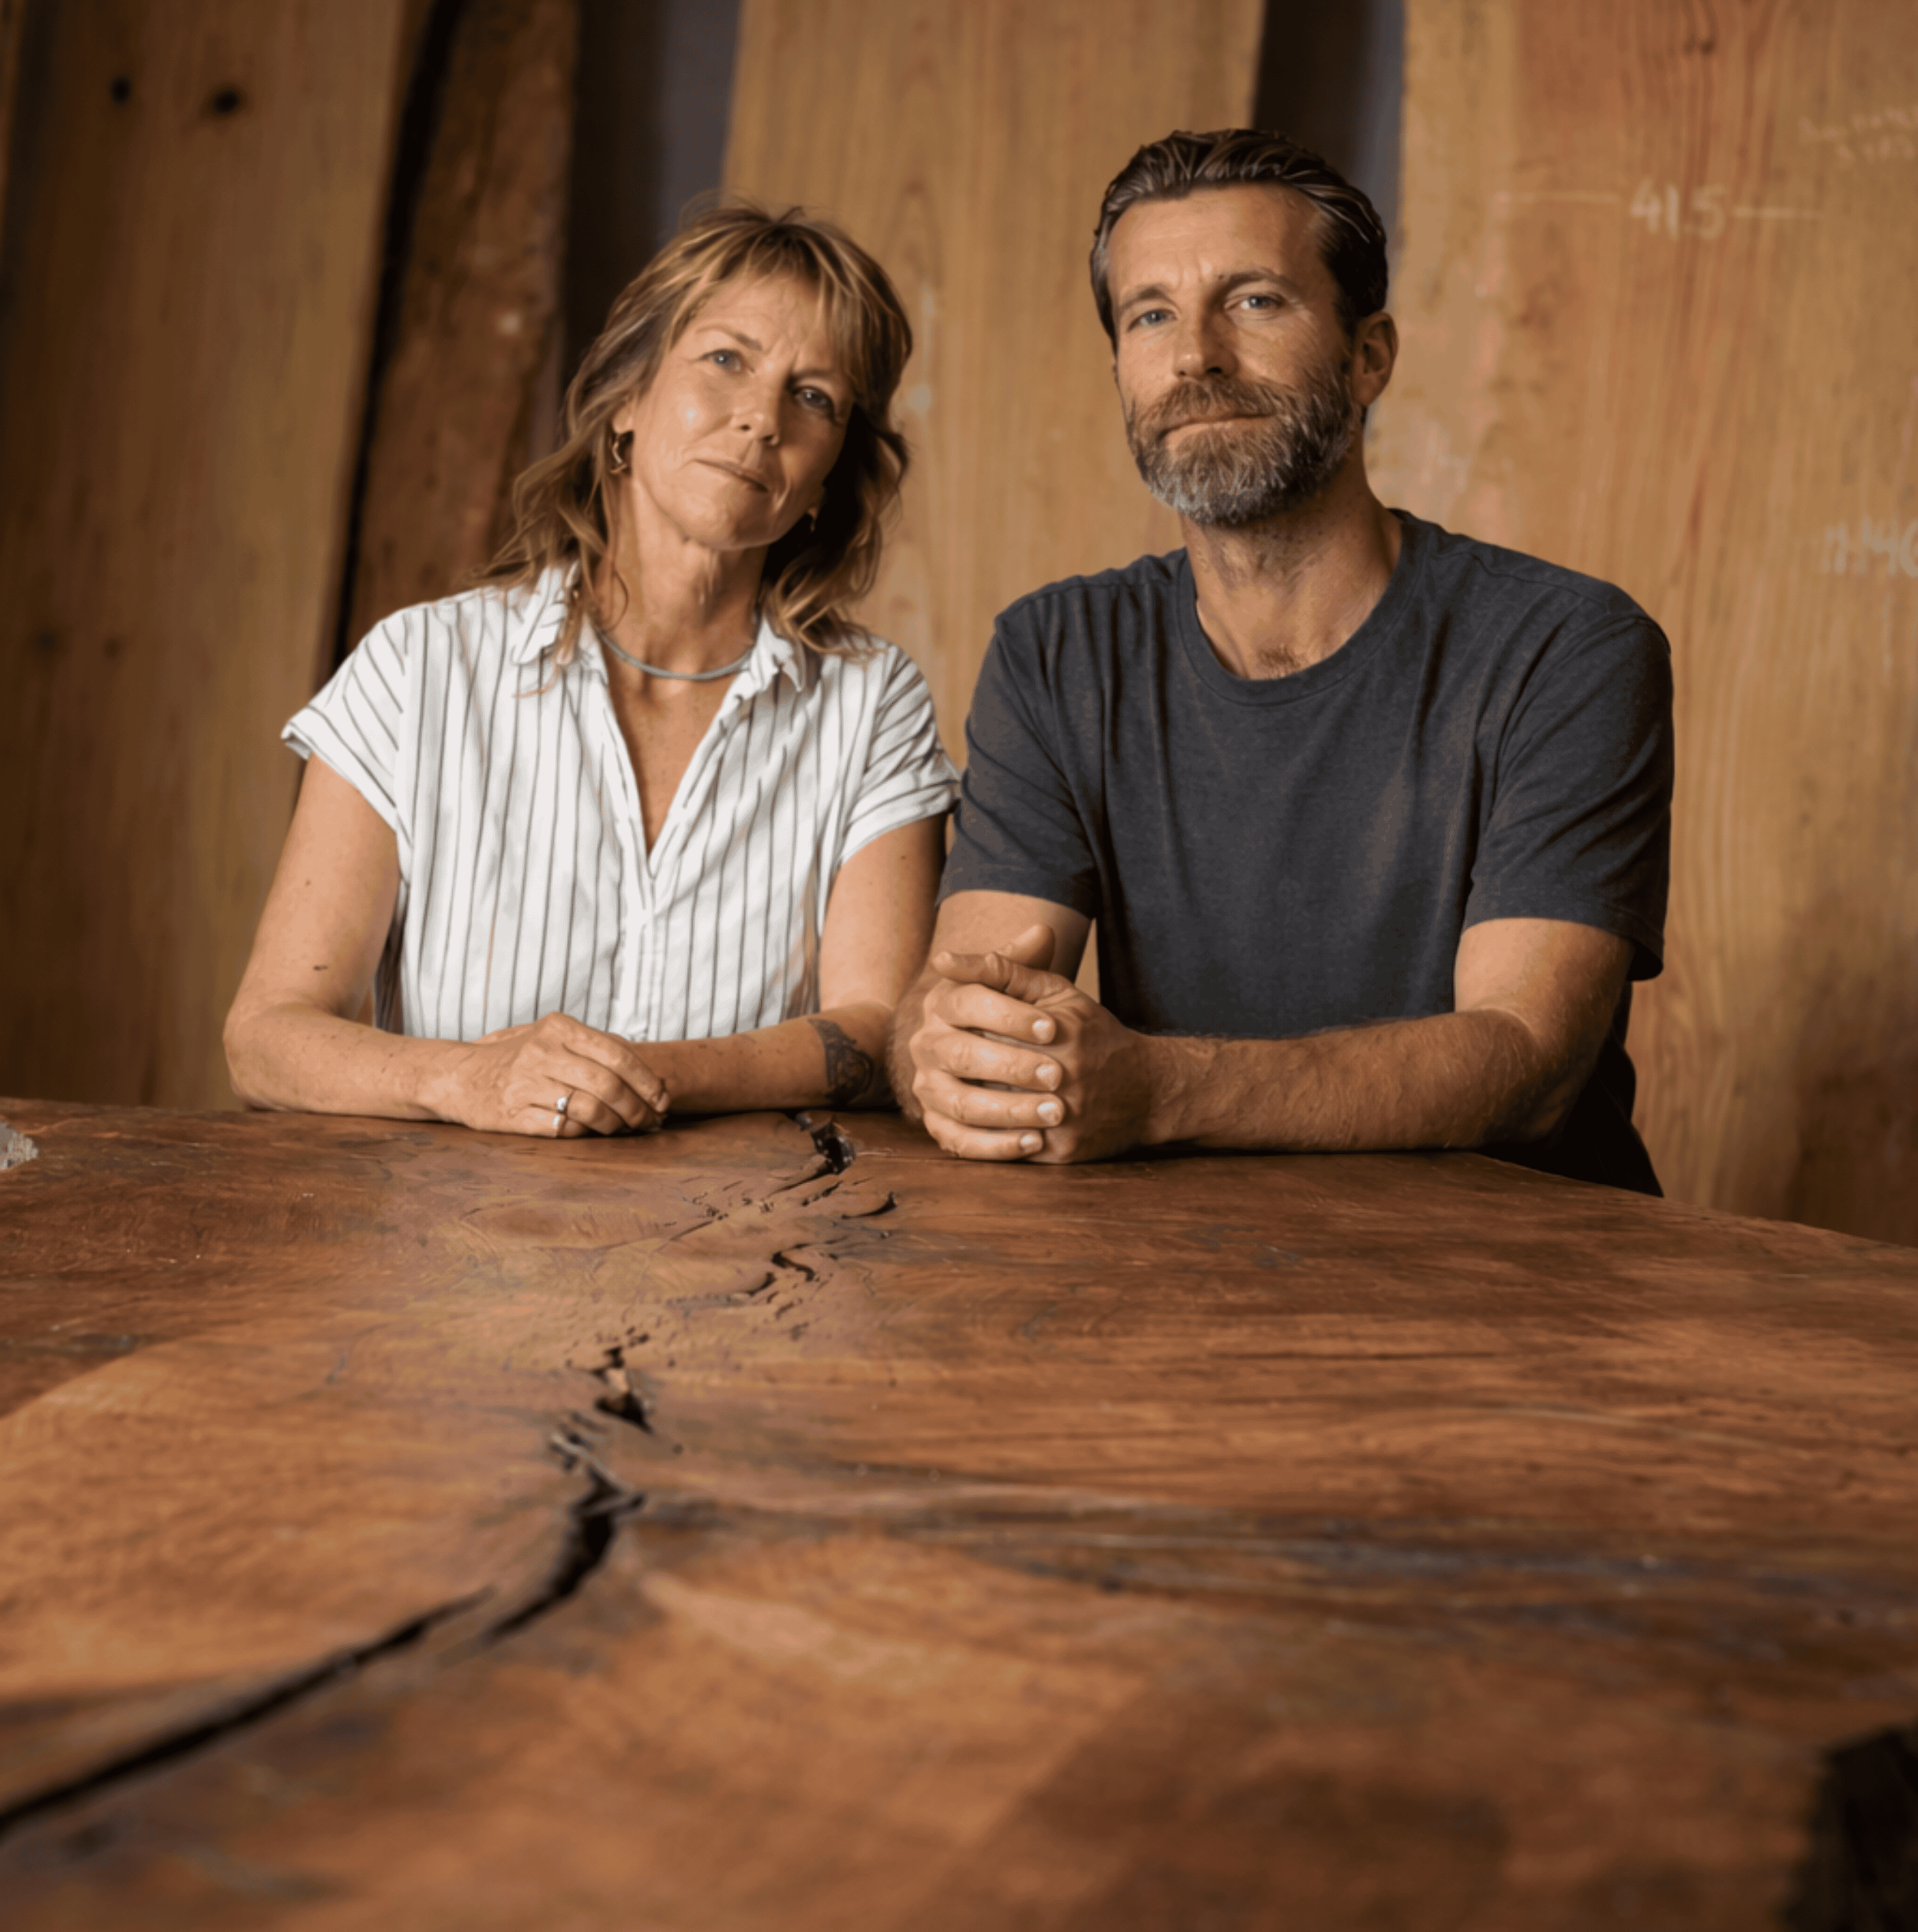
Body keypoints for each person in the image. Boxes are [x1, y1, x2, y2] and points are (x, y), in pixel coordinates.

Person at [891, 127, 1672, 1191]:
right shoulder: (1056, 653)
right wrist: (944, 1053)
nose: (1196, 356)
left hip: (1518, 1294)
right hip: (1183, 1276)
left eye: (1255, 300)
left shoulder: (1567, 646)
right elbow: (961, 1003)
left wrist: (1159, 1089)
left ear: (1370, 356)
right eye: (1150, 313)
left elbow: (1526, 1061)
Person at [226, 202, 957, 1139]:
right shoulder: (419, 669)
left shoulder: (871, 703)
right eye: (726, 359)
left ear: (825, 477)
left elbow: (875, 1033)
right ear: (627, 398)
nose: (760, 419)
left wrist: (628, 1075)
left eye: (812, 397)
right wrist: (470, 1081)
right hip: (446, 1271)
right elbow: (265, 1039)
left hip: (758, 1267)